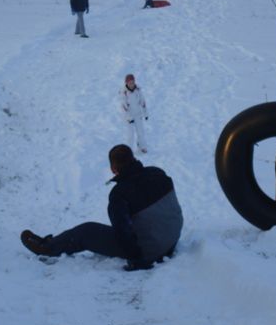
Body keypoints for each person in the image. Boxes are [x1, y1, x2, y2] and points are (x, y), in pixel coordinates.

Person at [20, 145, 183, 271]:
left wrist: (137, 259)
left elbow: (123, 232)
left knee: (87, 231)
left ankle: (47, 248)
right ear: (134, 159)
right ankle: (53, 243)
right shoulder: (157, 173)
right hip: (172, 240)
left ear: (114, 168)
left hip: (150, 250)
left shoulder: (119, 193)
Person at [120, 73, 148, 154]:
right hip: (129, 118)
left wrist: (145, 113)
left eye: (132, 82)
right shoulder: (124, 92)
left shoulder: (138, 90)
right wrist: (129, 118)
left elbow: (143, 102)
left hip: (138, 115)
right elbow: (124, 107)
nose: (131, 84)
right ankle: (129, 151)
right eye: (129, 82)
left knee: (141, 132)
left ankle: (142, 147)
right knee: (130, 135)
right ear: (126, 83)